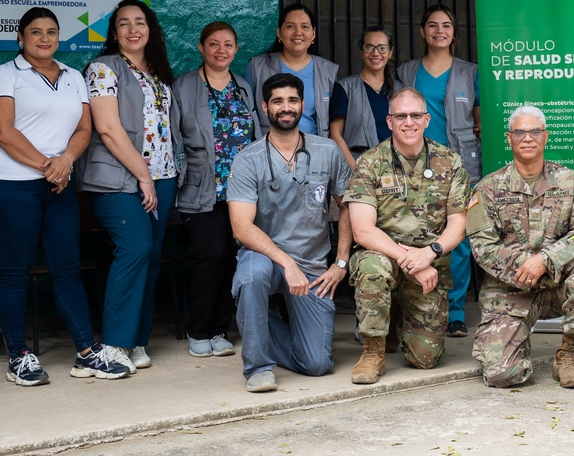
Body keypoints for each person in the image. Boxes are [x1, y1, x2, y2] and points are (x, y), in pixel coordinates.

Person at [0, 7, 130, 386]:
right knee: (14, 273)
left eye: (51, 32)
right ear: (21, 38)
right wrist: (51, 166)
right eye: (35, 32)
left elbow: (83, 128)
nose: (44, 38)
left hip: (58, 184)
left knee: (66, 271)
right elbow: (3, 132)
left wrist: (66, 161)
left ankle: (86, 351)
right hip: (10, 184)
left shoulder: (74, 77)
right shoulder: (5, 75)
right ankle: (19, 357)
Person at [467, 105, 574, 389]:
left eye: (534, 131)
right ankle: (515, 343)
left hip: (557, 285)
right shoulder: (487, 188)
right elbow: (482, 246)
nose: (527, 138)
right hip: (511, 288)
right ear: (508, 138)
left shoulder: (571, 182)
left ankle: (568, 355)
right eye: (520, 132)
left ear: (546, 137)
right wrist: (525, 268)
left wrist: (546, 260)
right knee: (502, 376)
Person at [77, 0, 183, 374]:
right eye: (124, 23)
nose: (133, 29)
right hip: (119, 181)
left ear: (150, 29)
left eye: (140, 22)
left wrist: (160, 177)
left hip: (163, 178)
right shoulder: (104, 69)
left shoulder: (156, 71)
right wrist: (142, 175)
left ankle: (137, 340)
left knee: (150, 259)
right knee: (135, 248)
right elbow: (107, 128)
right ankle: (114, 345)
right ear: (114, 31)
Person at [227, 73, 351, 392]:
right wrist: (286, 262)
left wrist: (340, 262)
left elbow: (350, 204)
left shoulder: (327, 152)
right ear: (265, 107)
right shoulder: (248, 159)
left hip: (311, 265)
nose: (286, 107)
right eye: (278, 101)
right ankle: (257, 366)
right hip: (265, 258)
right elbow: (241, 228)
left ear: (303, 105)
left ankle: (256, 326)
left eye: (292, 100)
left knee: (316, 364)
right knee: (251, 277)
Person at [344, 87, 470, 385]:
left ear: (427, 120)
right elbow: (362, 230)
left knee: (424, 359)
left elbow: (458, 224)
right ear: (389, 122)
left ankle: (397, 321)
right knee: (372, 267)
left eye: (415, 115)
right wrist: (407, 258)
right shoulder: (370, 163)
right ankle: (373, 350)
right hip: (385, 257)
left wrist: (429, 253)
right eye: (401, 116)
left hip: (429, 265)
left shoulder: (449, 162)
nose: (408, 122)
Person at [173, 21, 260, 358]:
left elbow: (253, 137)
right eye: (213, 44)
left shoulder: (243, 87)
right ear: (201, 48)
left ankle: (220, 330)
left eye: (227, 45)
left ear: (236, 50)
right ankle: (198, 331)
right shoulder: (185, 86)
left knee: (233, 259)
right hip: (200, 187)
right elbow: (174, 139)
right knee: (213, 255)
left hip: (240, 189)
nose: (220, 50)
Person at [397, 4, 480, 338]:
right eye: (432, 25)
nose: (439, 31)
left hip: (459, 164)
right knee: (412, 232)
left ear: (454, 32)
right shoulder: (407, 72)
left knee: (458, 239)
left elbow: (480, 121)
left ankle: (456, 311)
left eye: (446, 25)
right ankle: (415, 307)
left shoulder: (470, 72)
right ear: (422, 32)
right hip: (413, 164)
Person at [244, 3, 338, 137]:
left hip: (315, 150)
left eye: (305, 27)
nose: (298, 32)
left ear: (313, 33)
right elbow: (245, 113)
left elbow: (336, 121)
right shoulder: (257, 67)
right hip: (268, 149)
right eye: (290, 26)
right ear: (279, 32)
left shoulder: (328, 71)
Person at [328, 26, 397, 170]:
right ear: (361, 51)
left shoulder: (400, 89)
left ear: (390, 52)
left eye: (382, 48)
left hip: (395, 165)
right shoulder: (345, 88)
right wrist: (355, 168)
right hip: (357, 164)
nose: (375, 53)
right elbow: (335, 133)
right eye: (369, 47)